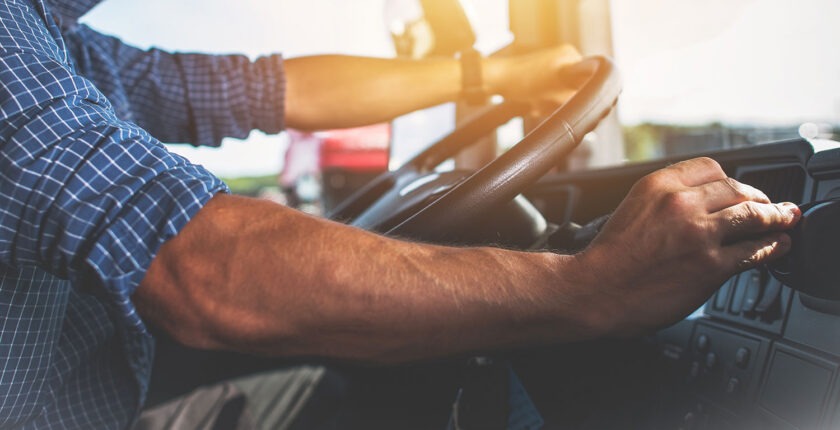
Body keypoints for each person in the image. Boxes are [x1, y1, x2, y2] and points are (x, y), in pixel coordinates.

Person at [0, 0, 801, 429]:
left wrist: (488, 75)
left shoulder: (55, 36)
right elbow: (198, 265)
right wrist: (588, 288)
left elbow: (258, 89)